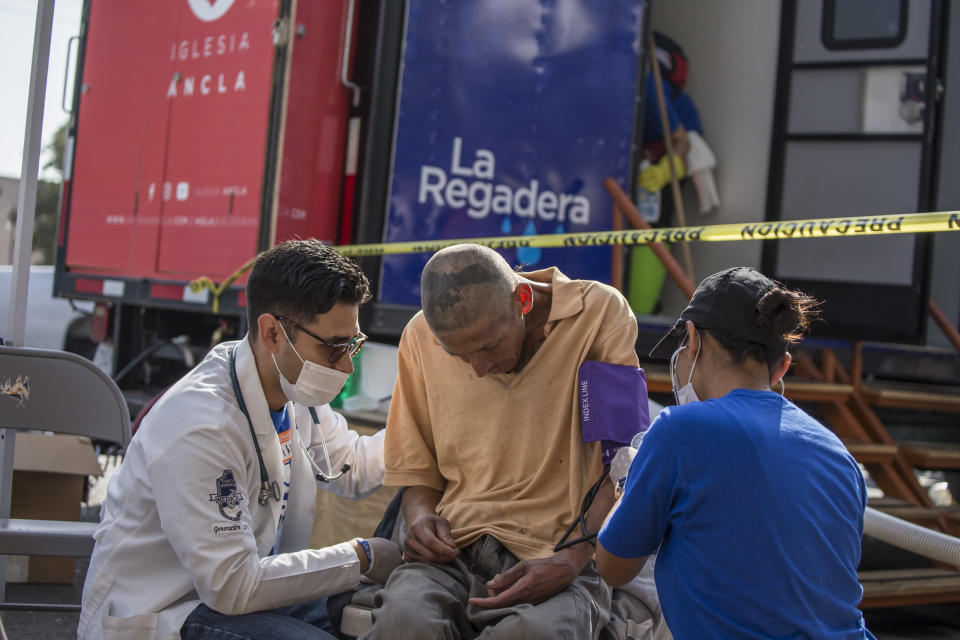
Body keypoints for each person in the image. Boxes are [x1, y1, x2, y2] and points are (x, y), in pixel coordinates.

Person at [79, 240, 402, 640]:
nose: (346, 364)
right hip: (168, 610)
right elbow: (231, 587)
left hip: (240, 590)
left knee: (380, 621)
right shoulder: (202, 425)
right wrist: (363, 556)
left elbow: (348, 465)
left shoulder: (291, 388)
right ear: (272, 333)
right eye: (334, 348)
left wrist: (432, 438)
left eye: (352, 344)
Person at [365, 244, 641, 639]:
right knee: (402, 623)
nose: (478, 370)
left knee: (534, 634)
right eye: (459, 357)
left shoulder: (595, 315)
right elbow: (418, 470)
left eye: (488, 347)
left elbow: (619, 465)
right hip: (453, 554)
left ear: (522, 299)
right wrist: (421, 519)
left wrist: (573, 558)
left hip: (558, 553)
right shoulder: (420, 336)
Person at [597, 267, 875, 640]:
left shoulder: (679, 430)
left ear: (692, 340)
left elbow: (612, 567)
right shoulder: (838, 454)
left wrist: (630, 478)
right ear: (782, 367)